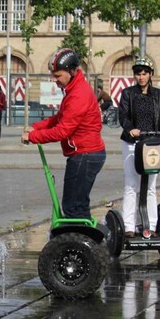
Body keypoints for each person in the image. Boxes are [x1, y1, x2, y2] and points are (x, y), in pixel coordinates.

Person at [21, 48, 106, 221]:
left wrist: (32, 137)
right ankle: (84, 242)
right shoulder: (74, 90)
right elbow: (60, 118)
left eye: (58, 75)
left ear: (72, 71)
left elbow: (62, 131)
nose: (55, 79)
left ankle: (79, 244)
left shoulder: (78, 95)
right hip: (84, 153)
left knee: (73, 206)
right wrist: (36, 127)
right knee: (77, 204)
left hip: (85, 154)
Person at [117, 56, 160, 237]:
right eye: (138, 74)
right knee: (132, 184)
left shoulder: (158, 95)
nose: (141, 77)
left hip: (152, 144)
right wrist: (130, 129)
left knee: (150, 186)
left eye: (144, 73)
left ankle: (152, 226)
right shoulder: (128, 93)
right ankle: (129, 226)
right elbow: (123, 115)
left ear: (150, 75)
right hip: (132, 144)